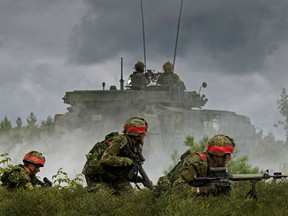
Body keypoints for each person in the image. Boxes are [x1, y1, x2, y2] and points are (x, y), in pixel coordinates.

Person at [82, 117, 149, 195]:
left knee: (132, 198)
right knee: (107, 199)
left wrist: (139, 179)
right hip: (98, 176)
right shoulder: (120, 142)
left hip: (114, 176)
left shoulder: (135, 146)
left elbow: (124, 171)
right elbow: (105, 158)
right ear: (137, 134)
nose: (144, 136)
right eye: (143, 134)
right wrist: (125, 160)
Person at [154, 134, 235, 197]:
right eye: (227, 155)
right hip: (168, 196)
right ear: (218, 154)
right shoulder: (196, 163)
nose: (230, 157)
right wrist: (204, 190)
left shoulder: (217, 166)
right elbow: (178, 188)